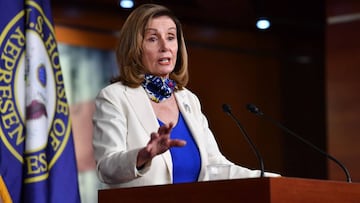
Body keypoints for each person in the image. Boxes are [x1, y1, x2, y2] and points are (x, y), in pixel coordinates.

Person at [92, 3, 279, 188]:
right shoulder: (114, 97)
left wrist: (270, 179)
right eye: (152, 39)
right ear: (134, 47)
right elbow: (106, 167)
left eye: (171, 37)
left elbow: (214, 166)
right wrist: (143, 155)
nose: (165, 46)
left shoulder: (188, 99)